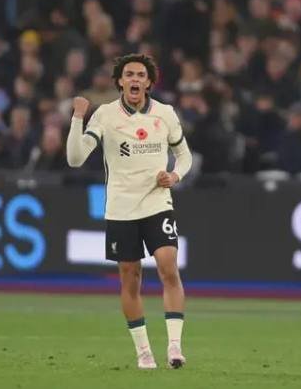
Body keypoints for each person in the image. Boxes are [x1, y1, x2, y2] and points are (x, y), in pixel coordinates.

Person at [66, 53, 193, 369]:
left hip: (157, 202)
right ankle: (144, 352)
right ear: (120, 82)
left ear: (149, 83)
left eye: (140, 75)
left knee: (168, 266)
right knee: (130, 278)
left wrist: (174, 176)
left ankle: (174, 347)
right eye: (129, 75)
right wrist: (78, 118)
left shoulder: (165, 113)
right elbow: (75, 159)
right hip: (121, 209)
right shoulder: (105, 115)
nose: (135, 79)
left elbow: (184, 156)